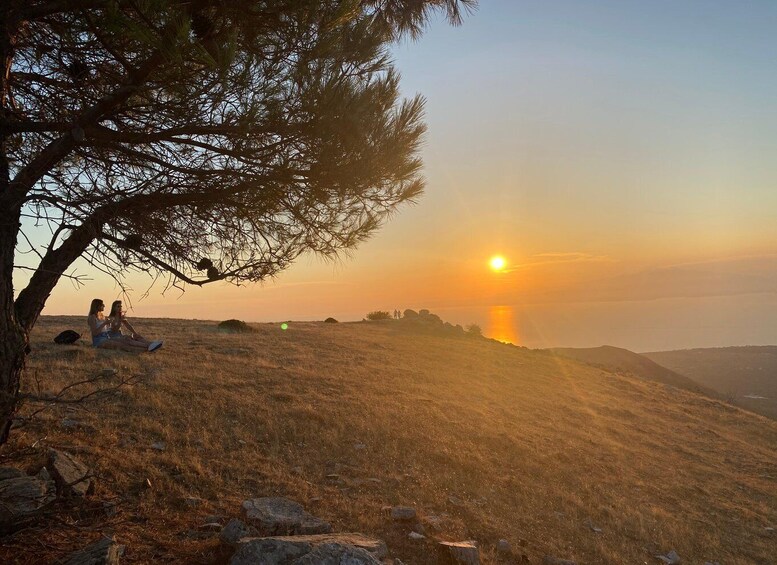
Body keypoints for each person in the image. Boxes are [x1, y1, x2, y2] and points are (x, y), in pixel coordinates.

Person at [87, 299, 163, 352]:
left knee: (127, 339)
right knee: (123, 346)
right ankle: (148, 349)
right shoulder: (92, 317)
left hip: (107, 337)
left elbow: (127, 325)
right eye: (102, 304)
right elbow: (94, 333)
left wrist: (135, 333)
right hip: (99, 340)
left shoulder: (102, 315)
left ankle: (150, 345)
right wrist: (105, 323)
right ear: (97, 306)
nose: (104, 305)